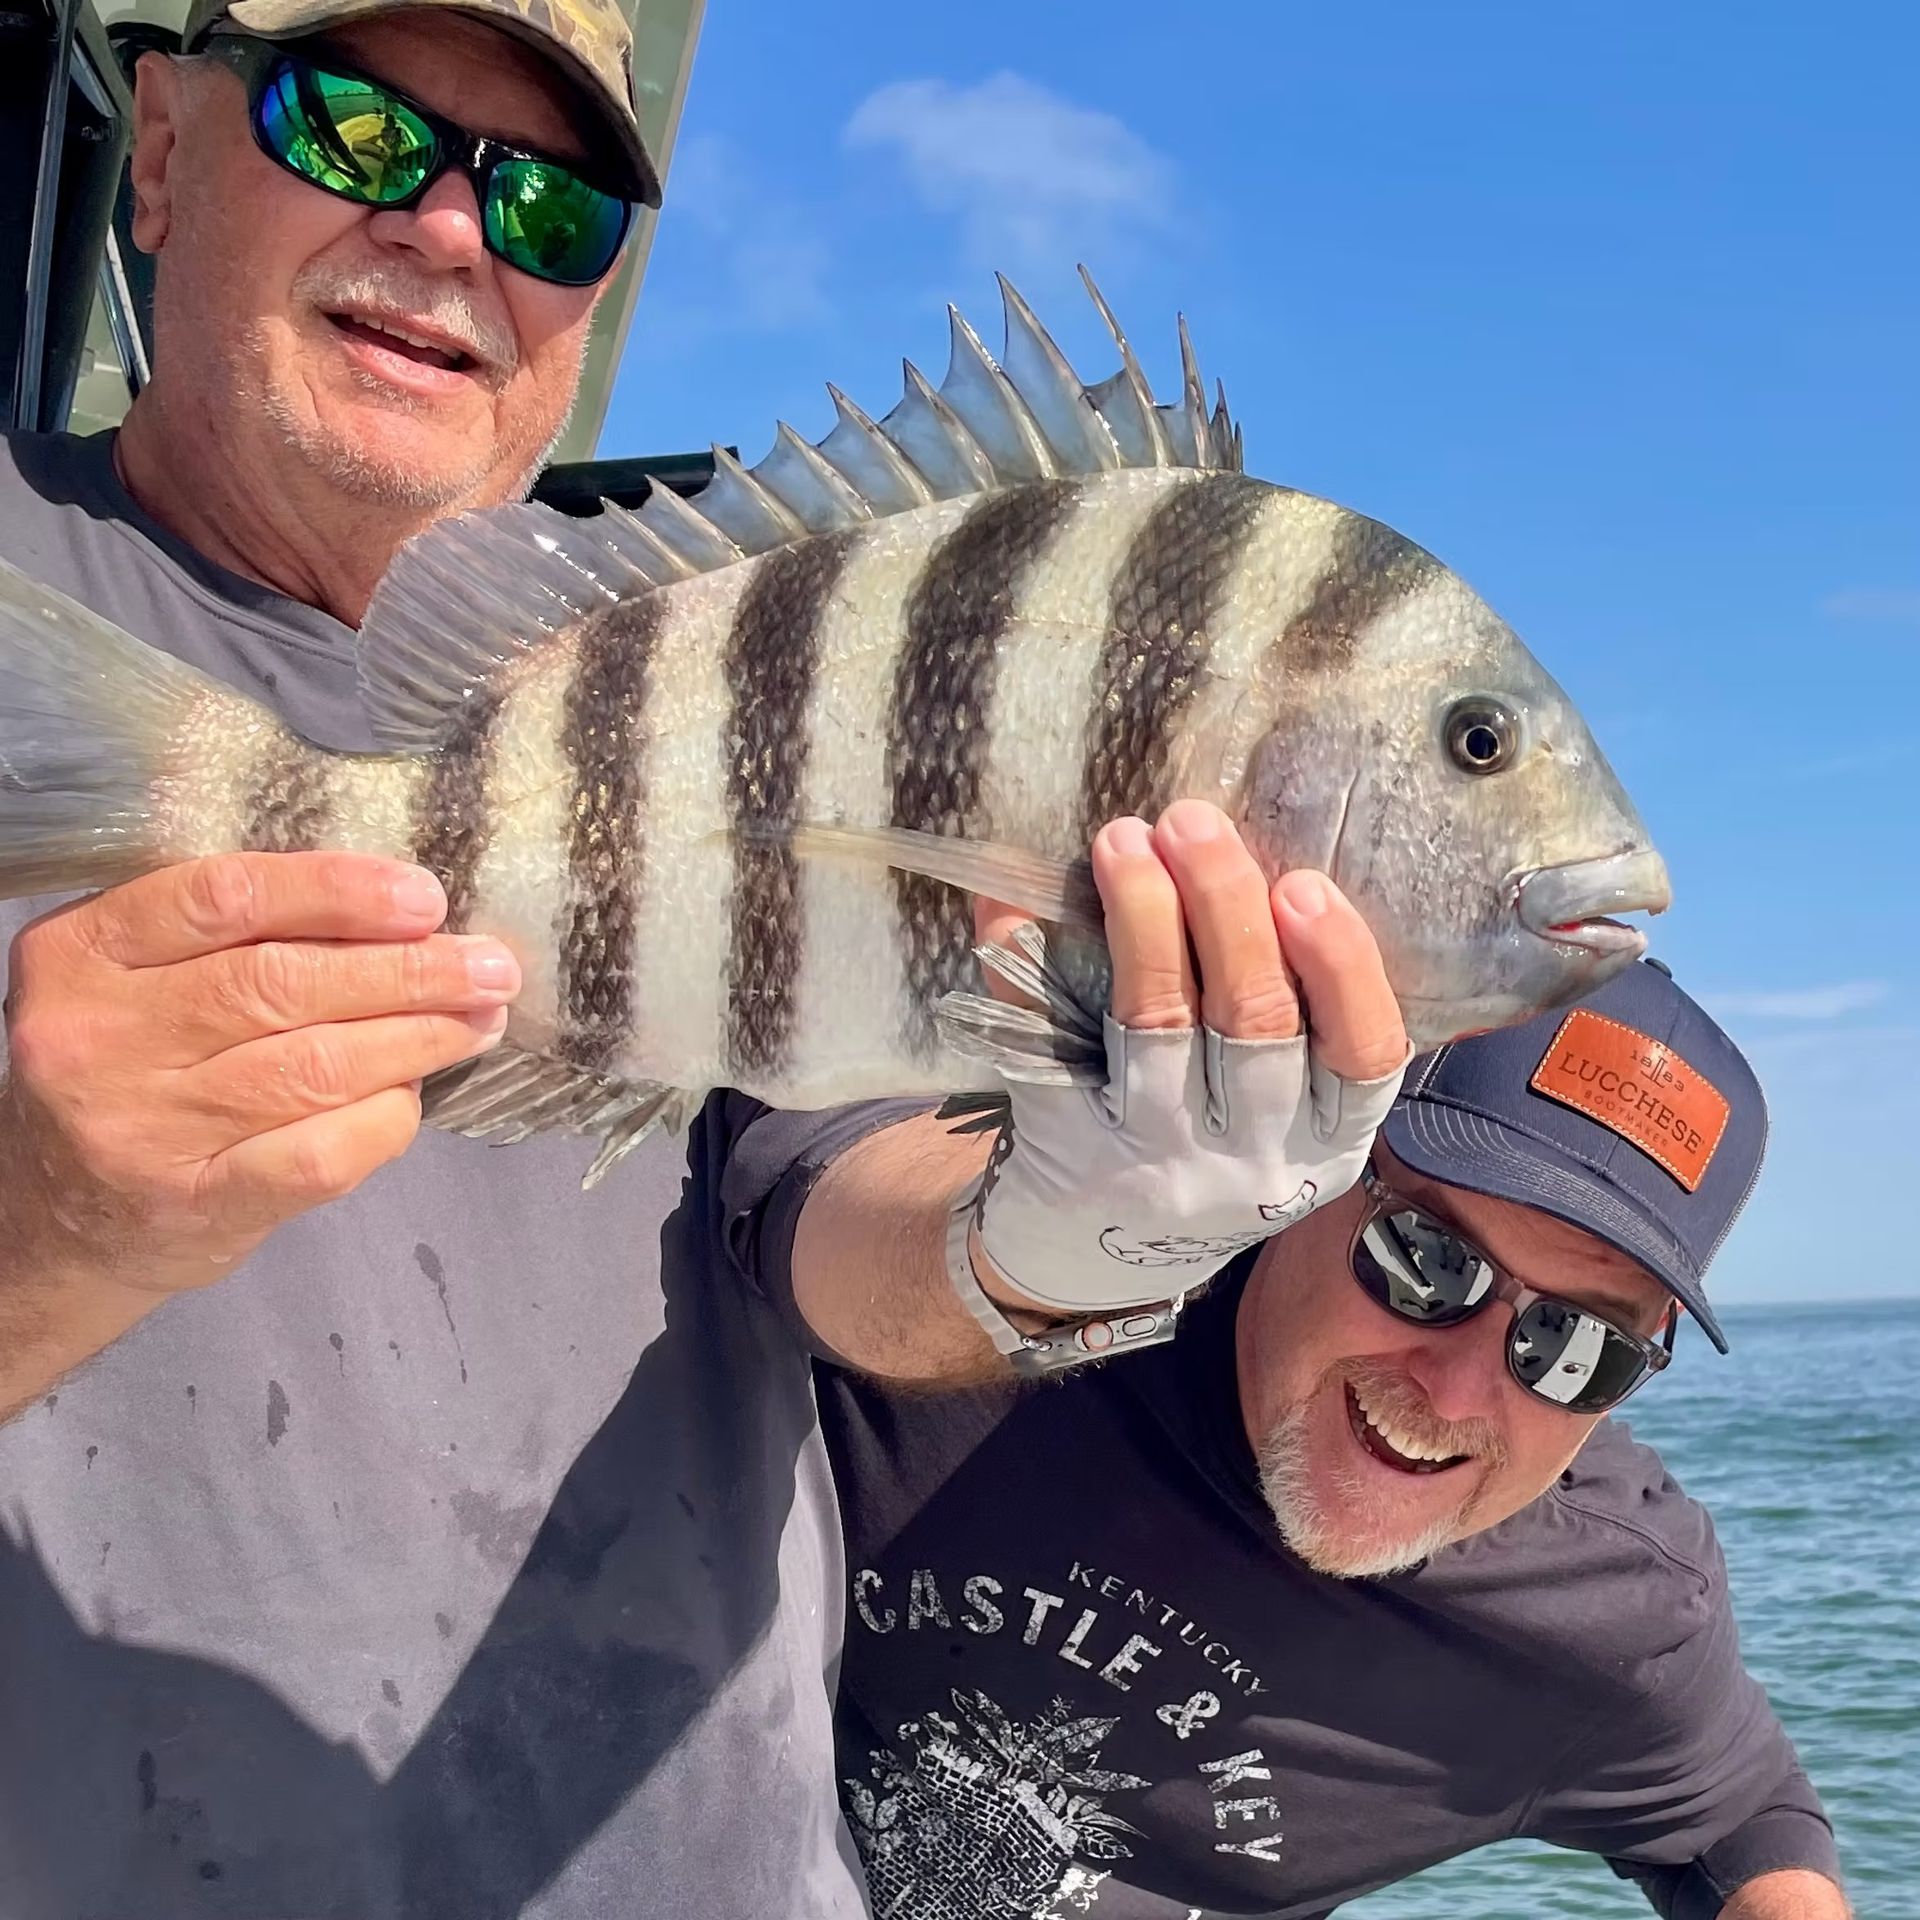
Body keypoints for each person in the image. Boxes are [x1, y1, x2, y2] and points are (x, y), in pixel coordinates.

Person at [0, 4, 1415, 1907]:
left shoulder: (710, 673)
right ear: (158, 153)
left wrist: (1097, 1226)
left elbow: (831, 1216)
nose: (448, 232)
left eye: (550, 204)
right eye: (350, 127)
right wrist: (37, 1234)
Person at [813, 961, 1851, 1919]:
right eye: (1426, 1260)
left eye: (1574, 1346)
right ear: (1319, 1165)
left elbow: (1738, 1821)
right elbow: (803, 1197)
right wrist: (984, 1271)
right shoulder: (1041, 1280)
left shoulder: (1609, 1600)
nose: (1454, 1391)